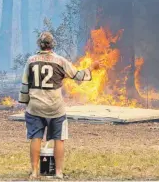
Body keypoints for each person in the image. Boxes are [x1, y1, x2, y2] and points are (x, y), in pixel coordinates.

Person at [19, 32, 100, 179]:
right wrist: (92, 68)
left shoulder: (30, 61)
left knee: (35, 138)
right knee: (59, 139)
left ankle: (34, 172)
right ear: (52, 45)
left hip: (35, 107)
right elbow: (79, 76)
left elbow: (25, 84)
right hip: (56, 108)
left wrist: (25, 102)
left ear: (39, 44)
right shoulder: (60, 61)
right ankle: (59, 172)